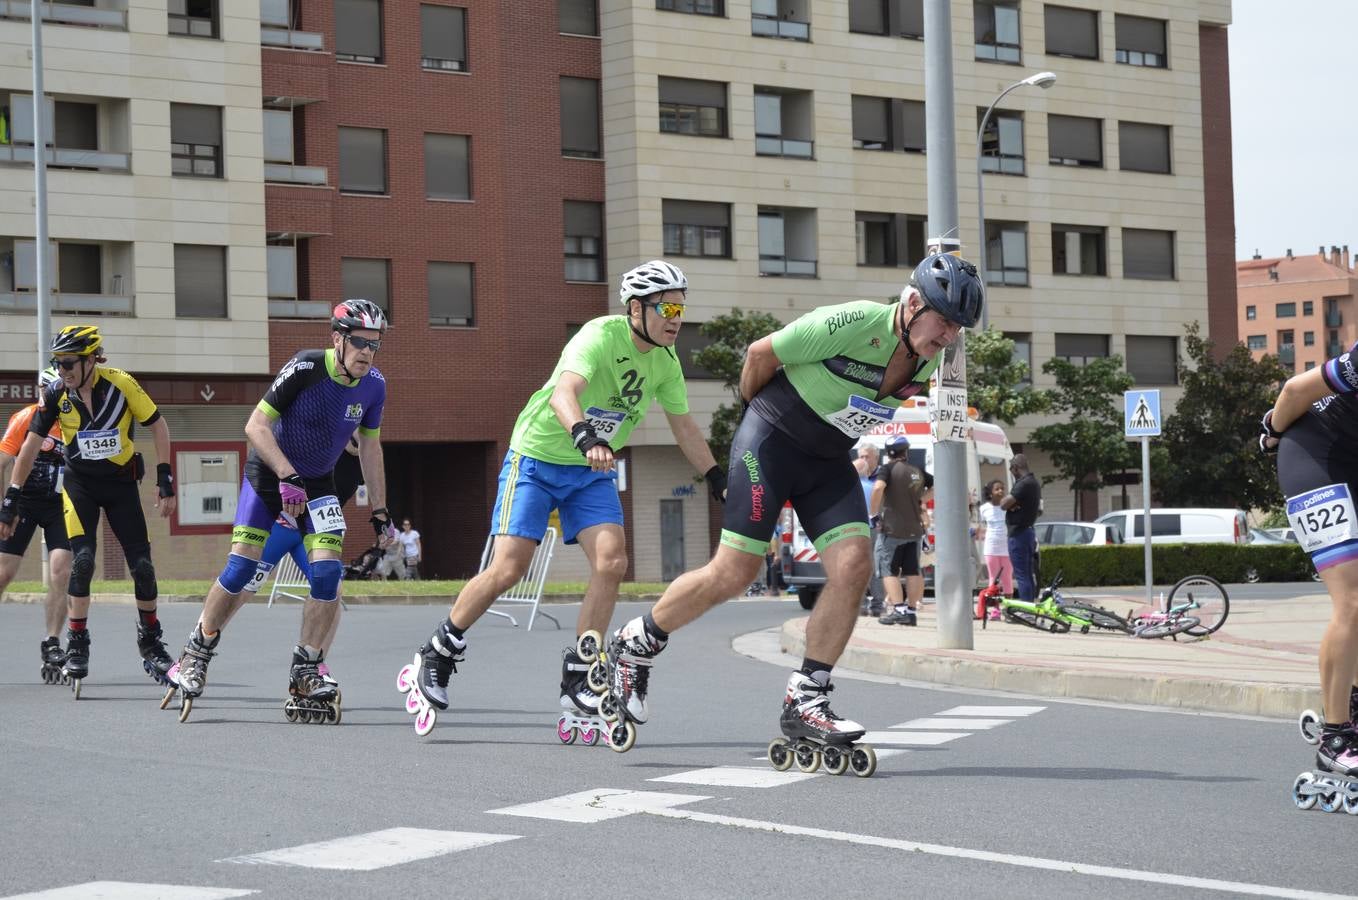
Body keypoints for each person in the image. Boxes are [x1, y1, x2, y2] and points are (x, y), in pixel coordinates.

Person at [599, 252, 982, 754]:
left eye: (958, 328)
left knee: (853, 564)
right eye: (944, 321)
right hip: (771, 443)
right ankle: (636, 642)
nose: (949, 335)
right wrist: (757, 419)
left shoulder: (930, 353)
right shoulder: (851, 322)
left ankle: (808, 698)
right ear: (912, 303)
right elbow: (760, 354)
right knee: (734, 572)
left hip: (825, 461)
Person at [398, 260, 725, 735]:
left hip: (589, 470)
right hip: (538, 456)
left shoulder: (667, 361)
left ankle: (579, 673)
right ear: (636, 308)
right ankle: (440, 649)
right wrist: (585, 434)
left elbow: (684, 427)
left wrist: (715, 474)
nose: (677, 317)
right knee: (509, 568)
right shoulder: (600, 336)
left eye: (681, 307)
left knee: (612, 562)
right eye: (667, 306)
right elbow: (563, 392)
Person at [166, 300, 391, 722]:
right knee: (239, 570)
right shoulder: (306, 367)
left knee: (328, 574)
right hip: (270, 477)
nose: (367, 352)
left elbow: (371, 447)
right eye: (359, 342)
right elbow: (255, 425)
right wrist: (286, 474)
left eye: (375, 345)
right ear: (337, 339)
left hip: (318, 485)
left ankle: (306, 668)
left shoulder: (375, 385)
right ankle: (196, 651)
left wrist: (380, 509)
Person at [0, 326, 177, 690]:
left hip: (121, 485)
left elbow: (158, 426)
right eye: (57, 363)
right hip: (79, 486)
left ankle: (151, 641)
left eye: (68, 363)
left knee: (142, 567)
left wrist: (165, 478)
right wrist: (11, 498)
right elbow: (30, 447)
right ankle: (77, 642)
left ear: (91, 359)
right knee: (81, 563)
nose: (62, 371)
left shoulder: (122, 384)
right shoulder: (54, 395)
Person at [164, 435, 376, 695]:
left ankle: (314, 665)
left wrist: (380, 513)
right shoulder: (321, 443)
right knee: (241, 590)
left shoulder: (367, 455)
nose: (359, 437)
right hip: (277, 526)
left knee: (332, 590)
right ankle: (192, 654)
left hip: (309, 533)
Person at [1261, 346, 1358, 788]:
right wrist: (1272, 430)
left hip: (1352, 461)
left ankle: (1352, 709)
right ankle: (1334, 740)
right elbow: (1295, 388)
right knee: (1352, 600)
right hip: (1313, 456)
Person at [0, 368, 73, 680]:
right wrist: (6, 507)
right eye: (47, 389)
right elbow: (2, 463)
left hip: (61, 506)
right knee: (4, 573)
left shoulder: (75, 421)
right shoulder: (25, 418)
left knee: (61, 569)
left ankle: (53, 641)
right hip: (25, 503)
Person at [872, 435, 932, 626]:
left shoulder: (887, 469)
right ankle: (911, 612)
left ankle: (899, 610)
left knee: (888, 570)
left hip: (892, 530)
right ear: (906, 451)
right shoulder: (917, 470)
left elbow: (878, 488)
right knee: (912, 570)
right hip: (915, 530)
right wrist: (921, 500)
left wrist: (873, 513)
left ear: (889, 452)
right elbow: (935, 485)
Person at [1001, 453, 1041, 602]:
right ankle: (1030, 606)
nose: (1011, 471)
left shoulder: (1023, 483)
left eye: (1011, 468)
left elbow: (1004, 504)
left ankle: (1026, 610)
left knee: (1021, 574)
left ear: (1016, 468)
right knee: (1027, 573)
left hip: (1019, 534)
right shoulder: (1034, 482)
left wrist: (1009, 503)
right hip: (1028, 531)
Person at [853, 444, 884, 616]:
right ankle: (877, 605)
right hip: (873, 529)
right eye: (862, 457)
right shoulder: (876, 486)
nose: (865, 460)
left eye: (867, 457)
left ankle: (863, 604)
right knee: (875, 567)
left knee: (860, 567)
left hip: (859, 531)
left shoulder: (881, 479)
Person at [977, 478, 1012, 611]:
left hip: (1007, 547)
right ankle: (995, 610)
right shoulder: (984, 508)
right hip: (991, 547)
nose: (1000, 491)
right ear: (990, 493)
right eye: (997, 489)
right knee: (994, 577)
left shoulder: (1008, 507)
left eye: (1002, 488)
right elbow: (980, 527)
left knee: (1007, 577)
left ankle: (1009, 608)